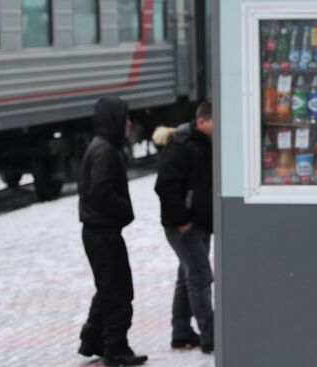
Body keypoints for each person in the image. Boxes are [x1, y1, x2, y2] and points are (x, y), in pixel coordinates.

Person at [77, 96, 148, 366]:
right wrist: (125, 210)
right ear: (114, 119)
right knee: (118, 290)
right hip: (103, 232)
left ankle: (93, 340)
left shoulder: (101, 147)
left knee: (108, 287)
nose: (129, 123)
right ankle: (116, 349)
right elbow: (101, 191)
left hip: (98, 231)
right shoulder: (105, 151)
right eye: (125, 117)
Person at [154, 100, 214, 354]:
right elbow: (164, 185)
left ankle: (180, 331)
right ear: (201, 122)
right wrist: (182, 221)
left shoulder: (205, 143)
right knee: (200, 277)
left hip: (198, 223)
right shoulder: (182, 146)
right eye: (216, 122)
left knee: (186, 276)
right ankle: (211, 335)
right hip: (185, 226)